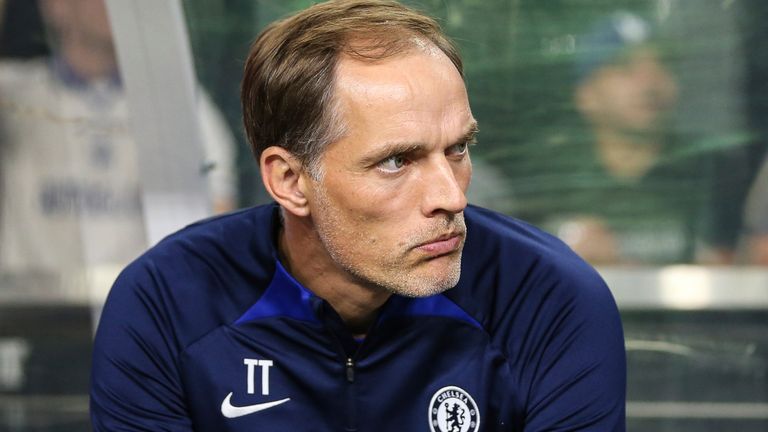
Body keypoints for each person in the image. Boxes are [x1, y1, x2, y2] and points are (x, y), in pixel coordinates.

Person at [90, 1, 626, 430]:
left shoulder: (547, 298)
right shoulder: (166, 302)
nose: (452, 197)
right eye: (397, 161)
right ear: (290, 181)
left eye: (458, 149)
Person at [0, 0, 236, 275]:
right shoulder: (14, 95)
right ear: (56, 5)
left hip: (139, 309)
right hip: (29, 309)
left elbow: (214, 222)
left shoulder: (179, 103)